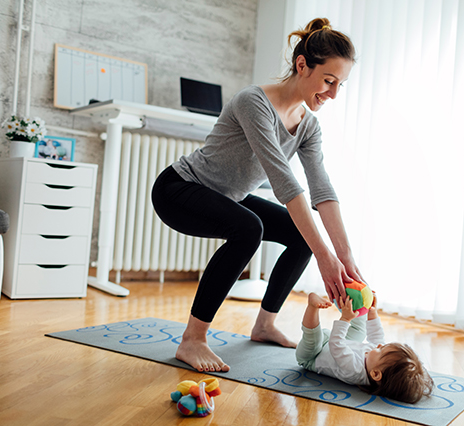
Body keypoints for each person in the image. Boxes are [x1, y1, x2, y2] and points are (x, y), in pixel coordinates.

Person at [151, 17, 362, 373]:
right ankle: (192, 339)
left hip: (229, 196)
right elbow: (284, 182)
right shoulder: (254, 102)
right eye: (329, 81)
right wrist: (325, 258)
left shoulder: (308, 125)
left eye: (340, 84)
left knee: (299, 236)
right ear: (301, 65)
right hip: (179, 189)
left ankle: (264, 324)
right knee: (249, 228)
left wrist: (345, 257)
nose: (333, 94)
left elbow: (321, 189)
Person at [296, 293, 434, 404]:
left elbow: (336, 344)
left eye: (381, 350)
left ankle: (312, 307)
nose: (379, 345)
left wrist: (345, 319)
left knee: (313, 338)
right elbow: (377, 336)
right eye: (384, 346)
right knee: (360, 330)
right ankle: (355, 303)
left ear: (375, 374)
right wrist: (371, 312)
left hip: (313, 356)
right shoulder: (376, 362)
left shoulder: (354, 370)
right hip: (339, 344)